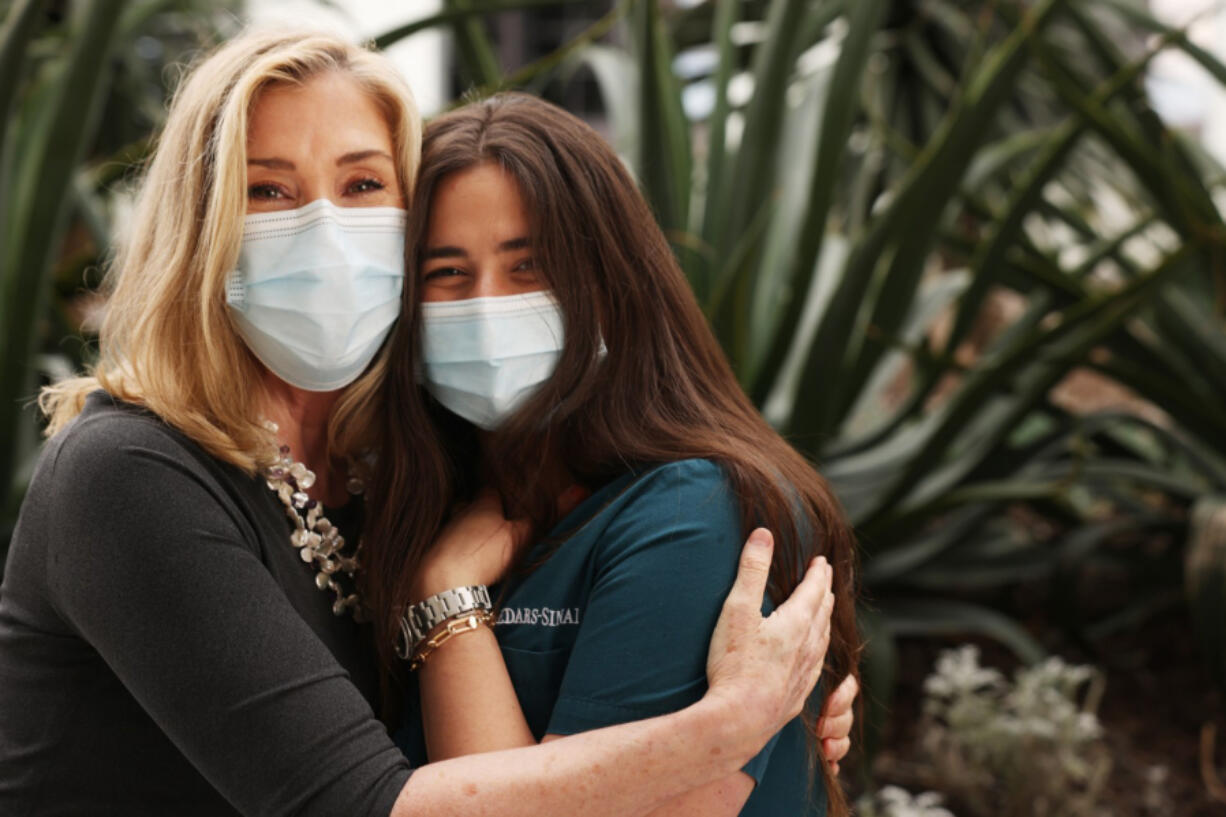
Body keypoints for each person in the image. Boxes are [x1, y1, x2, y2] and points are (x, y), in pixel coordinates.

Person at [0, 30, 846, 817]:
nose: (326, 231)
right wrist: (726, 728)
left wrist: (796, 719)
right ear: (201, 228)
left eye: (363, 183)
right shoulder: (130, 471)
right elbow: (362, 802)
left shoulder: (392, 474)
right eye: (269, 190)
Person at [367, 93, 862, 817]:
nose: (483, 306)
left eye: (529, 265)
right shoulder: (427, 498)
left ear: (608, 281)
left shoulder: (699, 513)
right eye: (446, 273)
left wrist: (446, 601)